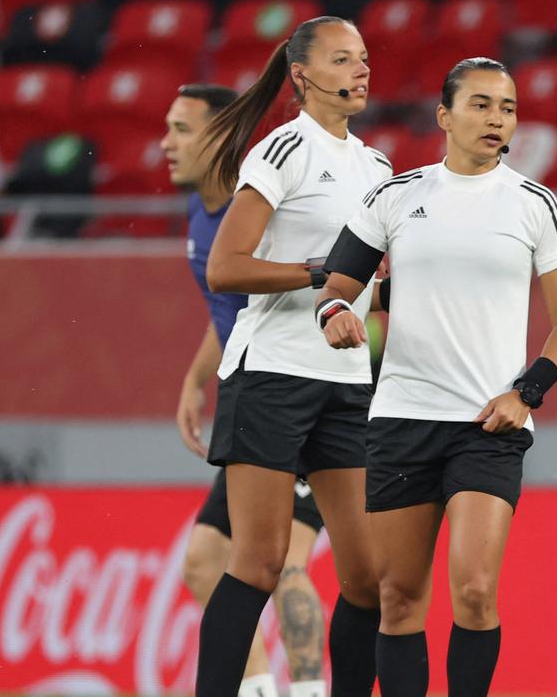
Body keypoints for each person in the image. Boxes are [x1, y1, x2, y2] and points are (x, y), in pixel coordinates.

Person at [313, 57, 557, 697]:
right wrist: (332, 315)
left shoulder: (534, 203)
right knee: (398, 597)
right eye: (482, 104)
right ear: (444, 115)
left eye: (508, 108)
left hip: (486, 427)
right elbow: (338, 287)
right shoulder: (395, 196)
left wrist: (526, 393)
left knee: (474, 590)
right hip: (403, 419)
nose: (498, 119)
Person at [196, 16, 392, 697]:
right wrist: (322, 273)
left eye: (364, 59)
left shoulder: (377, 167)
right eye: (343, 60)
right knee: (258, 561)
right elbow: (226, 267)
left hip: (345, 381)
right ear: (302, 76)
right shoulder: (282, 151)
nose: (361, 70)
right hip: (273, 373)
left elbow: (377, 284)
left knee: (368, 577)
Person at [164, 82, 330, 697]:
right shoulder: (203, 210)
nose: (165, 143)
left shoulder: (260, 206)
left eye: (181, 129)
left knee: (283, 560)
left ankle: (310, 690)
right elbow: (231, 308)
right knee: (207, 561)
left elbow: (333, 289)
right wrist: (195, 379)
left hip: (303, 398)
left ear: (220, 136)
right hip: (255, 401)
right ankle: (261, 689)